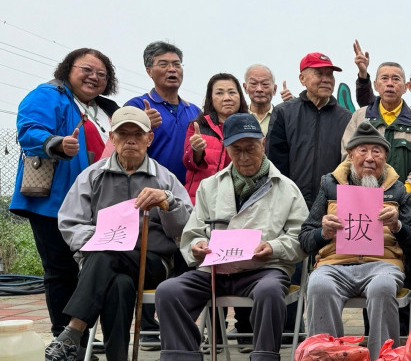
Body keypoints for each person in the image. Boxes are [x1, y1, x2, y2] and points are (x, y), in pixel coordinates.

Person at [156, 114, 307, 361]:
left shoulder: (286, 188)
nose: (244, 155)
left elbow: (300, 238)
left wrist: (273, 247)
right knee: (168, 291)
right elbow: (193, 231)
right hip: (216, 268)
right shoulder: (210, 186)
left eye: (251, 147)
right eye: (237, 149)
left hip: (263, 268)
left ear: (263, 145)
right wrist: (198, 245)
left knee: (270, 290)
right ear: (226, 149)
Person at [42, 108, 192, 361]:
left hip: (152, 262)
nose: (130, 140)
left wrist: (167, 201)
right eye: (123, 134)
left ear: (149, 138)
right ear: (112, 137)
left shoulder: (164, 178)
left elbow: (185, 228)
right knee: (118, 283)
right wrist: (99, 240)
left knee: (107, 255)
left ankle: (73, 331)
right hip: (105, 261)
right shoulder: (93, 176)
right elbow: (70, 223)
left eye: (138, 134)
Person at [11, 47, 120, 344]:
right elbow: (29, 129)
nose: (94, 77)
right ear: (67, 69)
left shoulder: (107, 109)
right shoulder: (50, 94)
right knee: (60, 268)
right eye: (86, 69)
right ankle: (63, 333)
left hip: (97, 202)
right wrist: (57, 143)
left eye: (101, 73)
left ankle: (81, 333)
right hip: (53, 200)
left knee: (88, 268)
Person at [299, 123, 411, 356]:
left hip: (383, 266)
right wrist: (322, 232)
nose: (369, 158)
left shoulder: (398, 190)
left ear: (386, 156)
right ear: (350, 154)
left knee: (383, 287)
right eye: (362, 150)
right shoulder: (330, 185)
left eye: (377, 152)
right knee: (319, 284)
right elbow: (305, 239)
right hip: (334, 265)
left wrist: (398, 226)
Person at [267, 52, 352, 209]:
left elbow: (349, 163)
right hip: (290, 202)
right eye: (319, 73)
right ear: (302, 79)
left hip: (332, 204)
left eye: (330, 75)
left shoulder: (346, 117)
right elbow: (275, 161)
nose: (326, 79)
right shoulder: (284, 113)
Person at [341, 62, 411, 199]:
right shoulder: (360, 116)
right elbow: (347, 156)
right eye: (384, 78)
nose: (390, 84)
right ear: (376, 85)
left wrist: (407, 188)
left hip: (404, 201)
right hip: (362, 199)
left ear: (406, 87)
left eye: (396, 79)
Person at [125, 41, 200, 184]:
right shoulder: (135, 106)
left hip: (187, 195)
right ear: (149, 71)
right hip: (148, 191)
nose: (172, 69)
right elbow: (121, 148)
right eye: (163, 64)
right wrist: (141, 126)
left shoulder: (195, 111)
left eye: (177, 64)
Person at [181, 73, 249, 202]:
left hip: (237, 202)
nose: (227, 98)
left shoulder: (251, 127)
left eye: (232, 92)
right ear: (210, 98)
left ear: (240, 96)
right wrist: (196, 150)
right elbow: (188, 162)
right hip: (200, 201)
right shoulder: (198, 126)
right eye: (219, 93)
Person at [243, 65, 280, 135]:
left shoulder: (282, 117)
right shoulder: (238, 116)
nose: (259, 89)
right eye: (253, 84)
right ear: (245, 88)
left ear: (274, 89)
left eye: (265, 84)